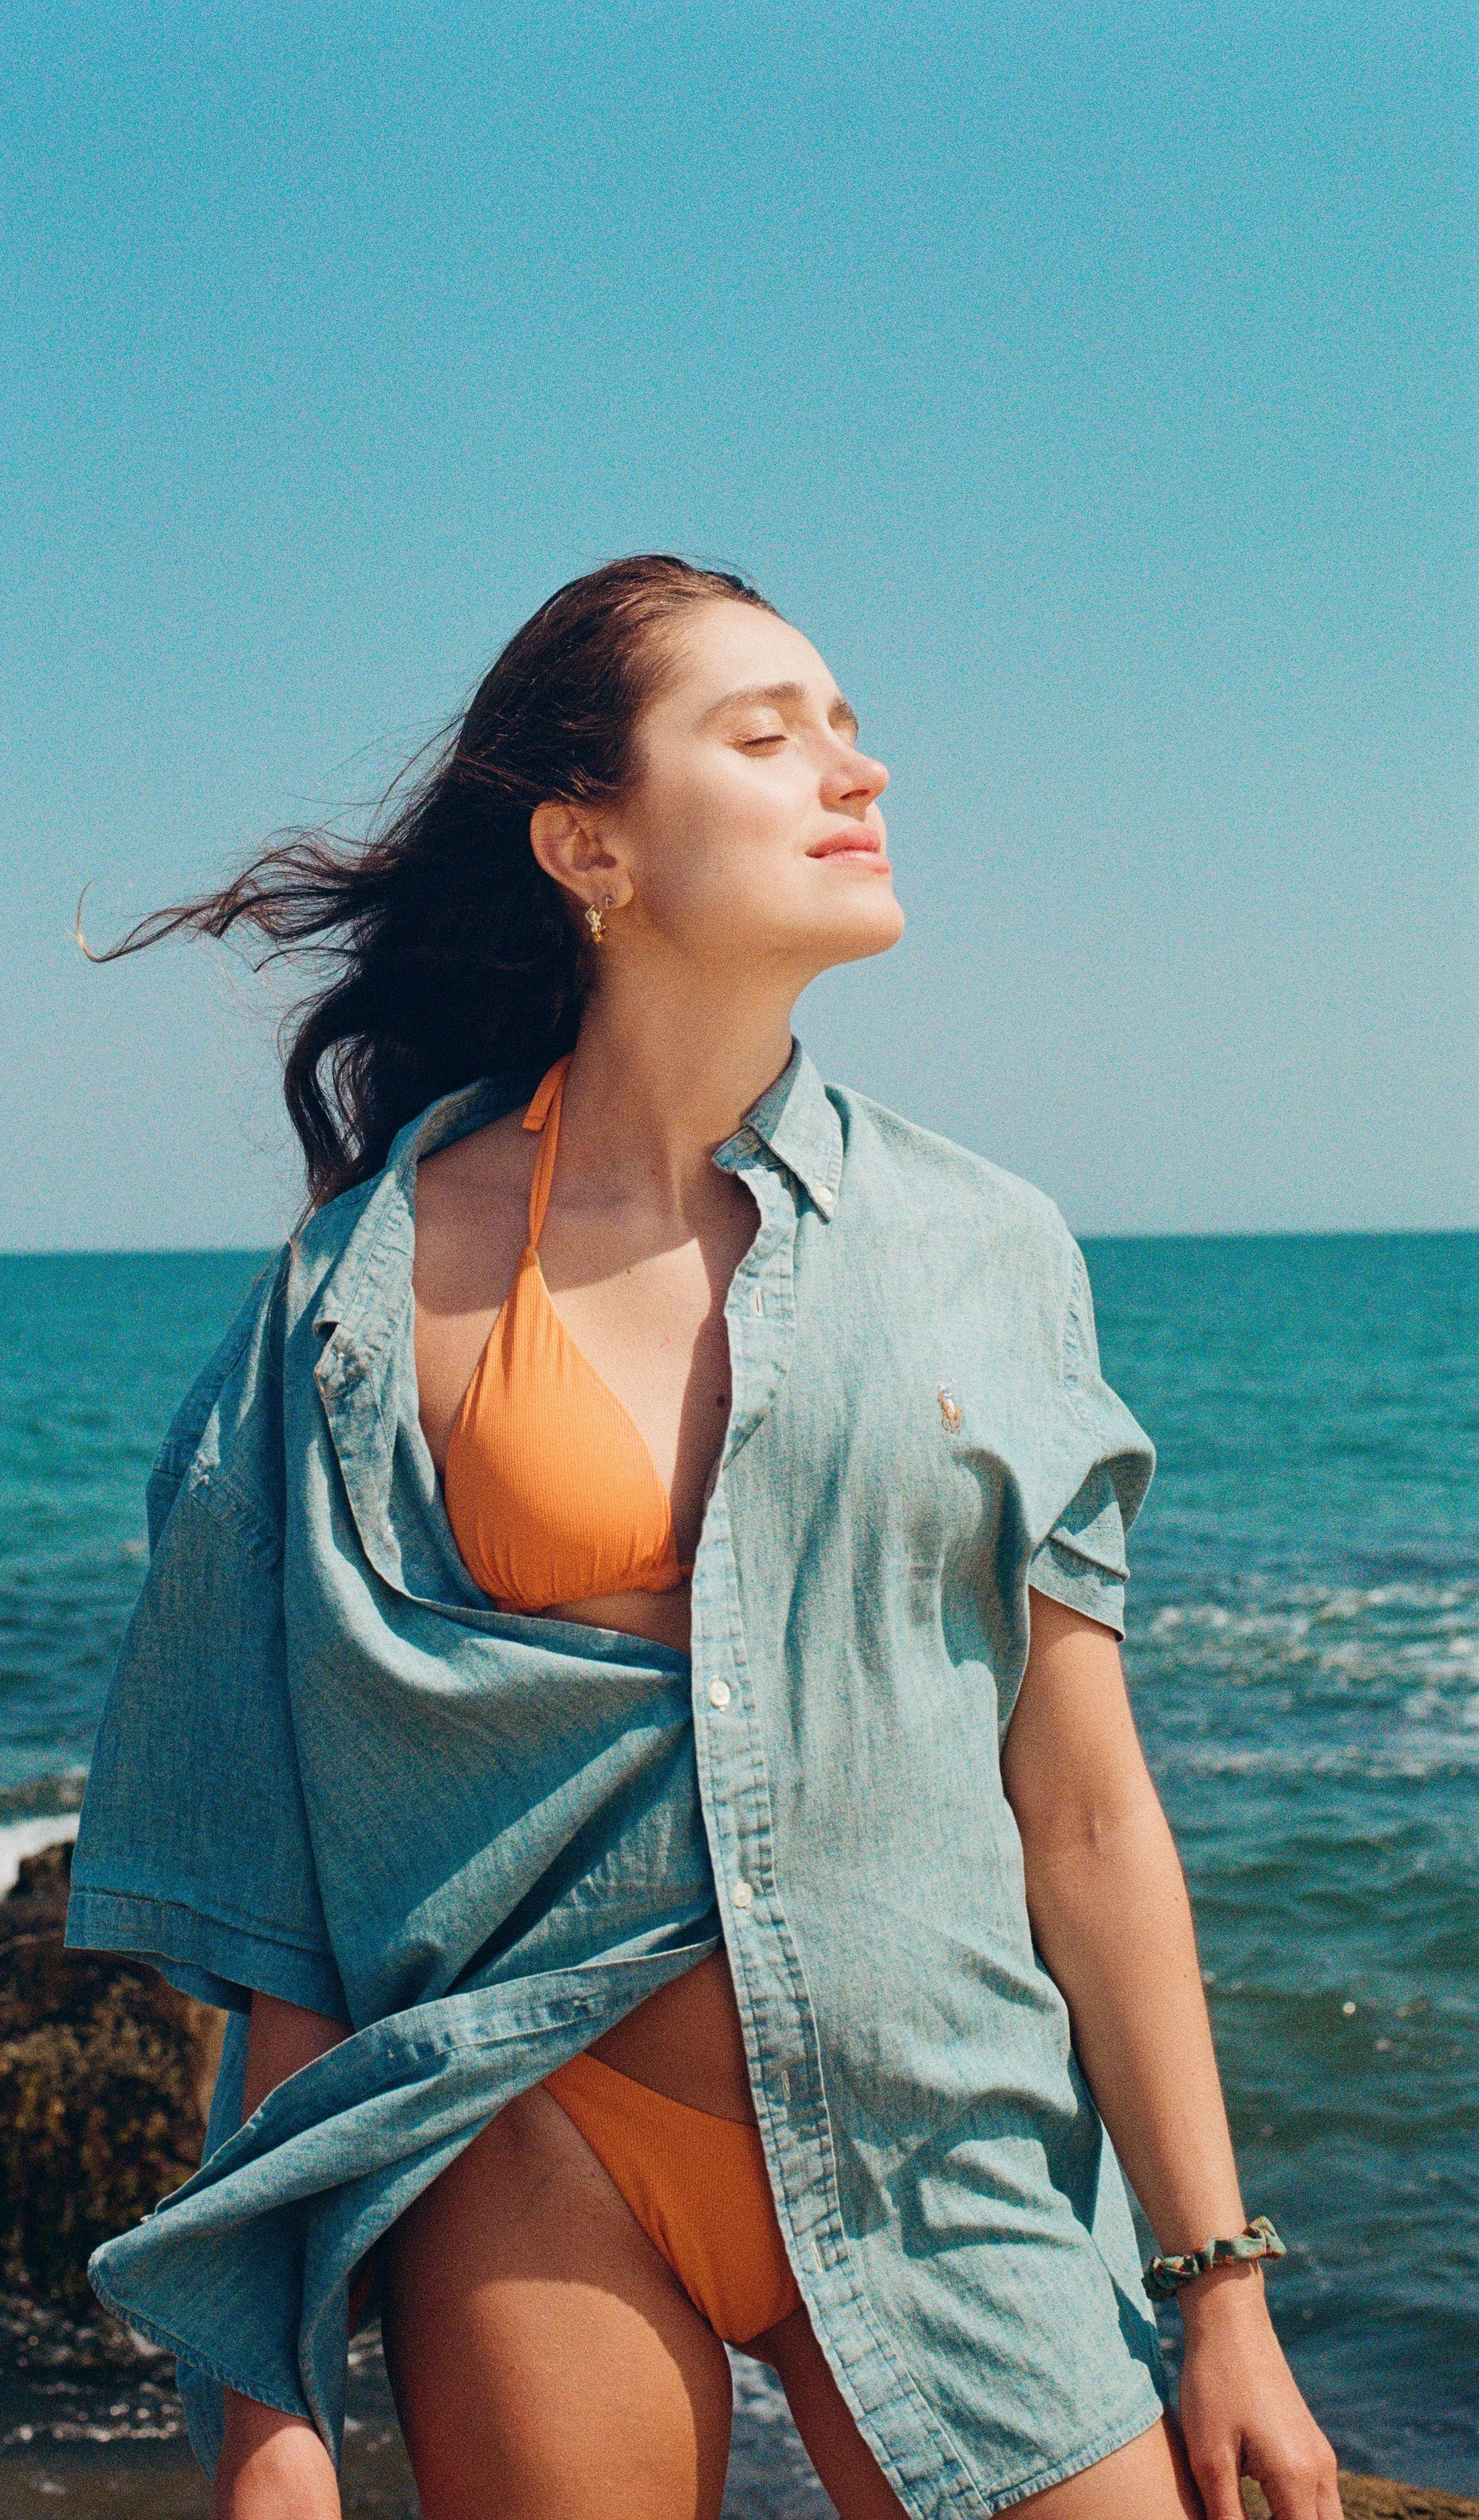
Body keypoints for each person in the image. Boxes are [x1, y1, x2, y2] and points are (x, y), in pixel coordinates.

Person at [66, 555, 1341, 2520]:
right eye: (770, 735)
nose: (860, 771)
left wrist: (1220, 2294)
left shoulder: (984, 1247)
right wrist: (269, 2412)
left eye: (847, 726)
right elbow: (288, 1877)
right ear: (589, 844)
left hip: (951, 2159)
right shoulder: (356, 1292)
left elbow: (1081, 1806)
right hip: (535, 2142)